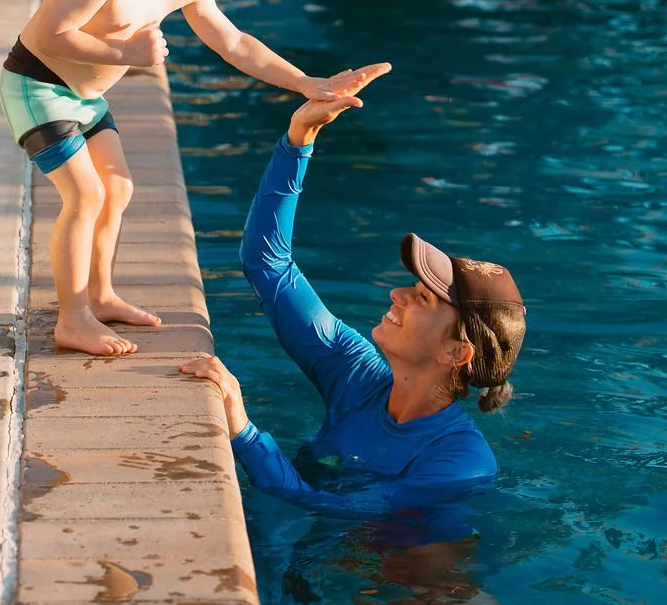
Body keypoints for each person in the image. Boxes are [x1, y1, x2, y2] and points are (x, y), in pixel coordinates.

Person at [0, 0, 369, 358]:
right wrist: (127, 49)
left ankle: (100, 295)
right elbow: (48, 36)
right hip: (38, 84)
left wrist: (308, 83)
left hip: (82, 97)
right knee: (86, 196)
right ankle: (73, 318)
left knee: (119, 189)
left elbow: (236, 43)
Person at [181, 82, 527, 513]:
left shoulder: (461, 463)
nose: (397, 294)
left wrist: (246, 433)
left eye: (422, 299)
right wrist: (298, 140)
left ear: (456, 352)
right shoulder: (356, 374)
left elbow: (329, 508)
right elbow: (267, 268)